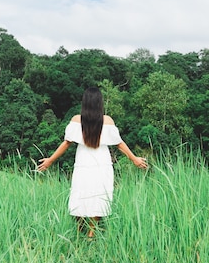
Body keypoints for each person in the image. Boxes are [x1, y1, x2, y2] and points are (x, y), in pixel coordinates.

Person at [37, 87, 148, 237]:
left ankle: (78, 230)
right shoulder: (107, 121)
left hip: (83, 160)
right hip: (102, 162)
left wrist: (50, 160)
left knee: (80, 192)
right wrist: (134, 159)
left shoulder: (76, 120)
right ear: (100, 103)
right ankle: (91, 232)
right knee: (99, 194)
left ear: (85, 102)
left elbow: (66, 143)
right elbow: (119, 143)